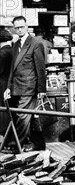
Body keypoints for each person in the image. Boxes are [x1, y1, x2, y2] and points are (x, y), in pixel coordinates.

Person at [4, 16, 46, 151]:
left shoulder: (35, 43)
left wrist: (41, 90)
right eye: (16, 28)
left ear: (27, 26)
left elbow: (40, 68)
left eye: (21, 27)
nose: (19, 30)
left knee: (22, 116)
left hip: (29, 86)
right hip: (17, 86)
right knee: (27, 117)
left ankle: (15, 145)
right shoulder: (15, 44)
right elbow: (12, 68)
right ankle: (38, 145)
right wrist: (8, 87)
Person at [0, 28, 14, 139]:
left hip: (2, 85)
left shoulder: (2, 53)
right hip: (9, 85)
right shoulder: (12, 50)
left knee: (3, 111)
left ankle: (3, 137)